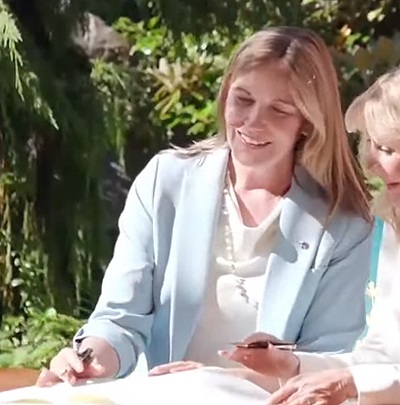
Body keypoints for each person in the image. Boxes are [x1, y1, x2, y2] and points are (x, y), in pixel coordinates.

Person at [36, 26, 372, 387]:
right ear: (225, 95)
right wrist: (87, 359)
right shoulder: (164, 182)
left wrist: (216, 381)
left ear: (306, 122)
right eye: (243, 100)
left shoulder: (342, 224)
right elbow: (120, 319)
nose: (253, 122)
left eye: (279, 110)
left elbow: (328, 366)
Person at [225, 66, 400, 405]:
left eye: (387, 148)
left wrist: (351, 383)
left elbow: (366, 379)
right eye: (370, 146)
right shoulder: (394, 225)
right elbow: (381, 357)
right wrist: (292, 366)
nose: (370, 164)